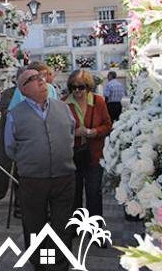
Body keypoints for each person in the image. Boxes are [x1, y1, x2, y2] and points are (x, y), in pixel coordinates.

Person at [5, 69, 76, 271]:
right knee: (36, 225)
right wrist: (32, 160)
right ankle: (42, 263)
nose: (40, 81)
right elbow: (10, 148)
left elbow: (70, 134)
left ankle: (59, 264)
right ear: (23, 89)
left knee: (62, 223)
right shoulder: (15, 114)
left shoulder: (62, 108)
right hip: (33, 180)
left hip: (64, 176)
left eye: (40, 77)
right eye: (33, 79)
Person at [64, 70, 112, 218]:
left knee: (93, 194)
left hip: (94, 156)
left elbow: (107, 125)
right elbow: (58, 129)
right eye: (73, 87)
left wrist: (92, 132)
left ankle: (95, 229)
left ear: (89, 86)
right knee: (74, 194)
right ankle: (75, 227)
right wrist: (74, 133)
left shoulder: (98, 101)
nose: (77, 90)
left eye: (81, 87)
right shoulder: (64, 103)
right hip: (72, 156)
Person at [0, 67, 25, 213]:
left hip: (24, 137)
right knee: (3, 167)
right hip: (7, 135)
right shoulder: (8, 93)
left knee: (20, 170)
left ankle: (19, 202)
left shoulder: (32, 94)